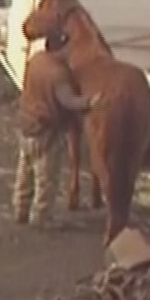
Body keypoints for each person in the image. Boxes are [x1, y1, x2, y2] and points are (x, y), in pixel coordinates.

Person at [14, 33, 97, 225]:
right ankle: (42, 217)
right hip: (45, 131)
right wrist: (90, 102)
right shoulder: (58, 73)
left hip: (25, 124)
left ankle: (21, 209)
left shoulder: (35, 60)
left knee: (24, 172)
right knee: (46, 177)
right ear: (62, 48)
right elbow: (68, 101)